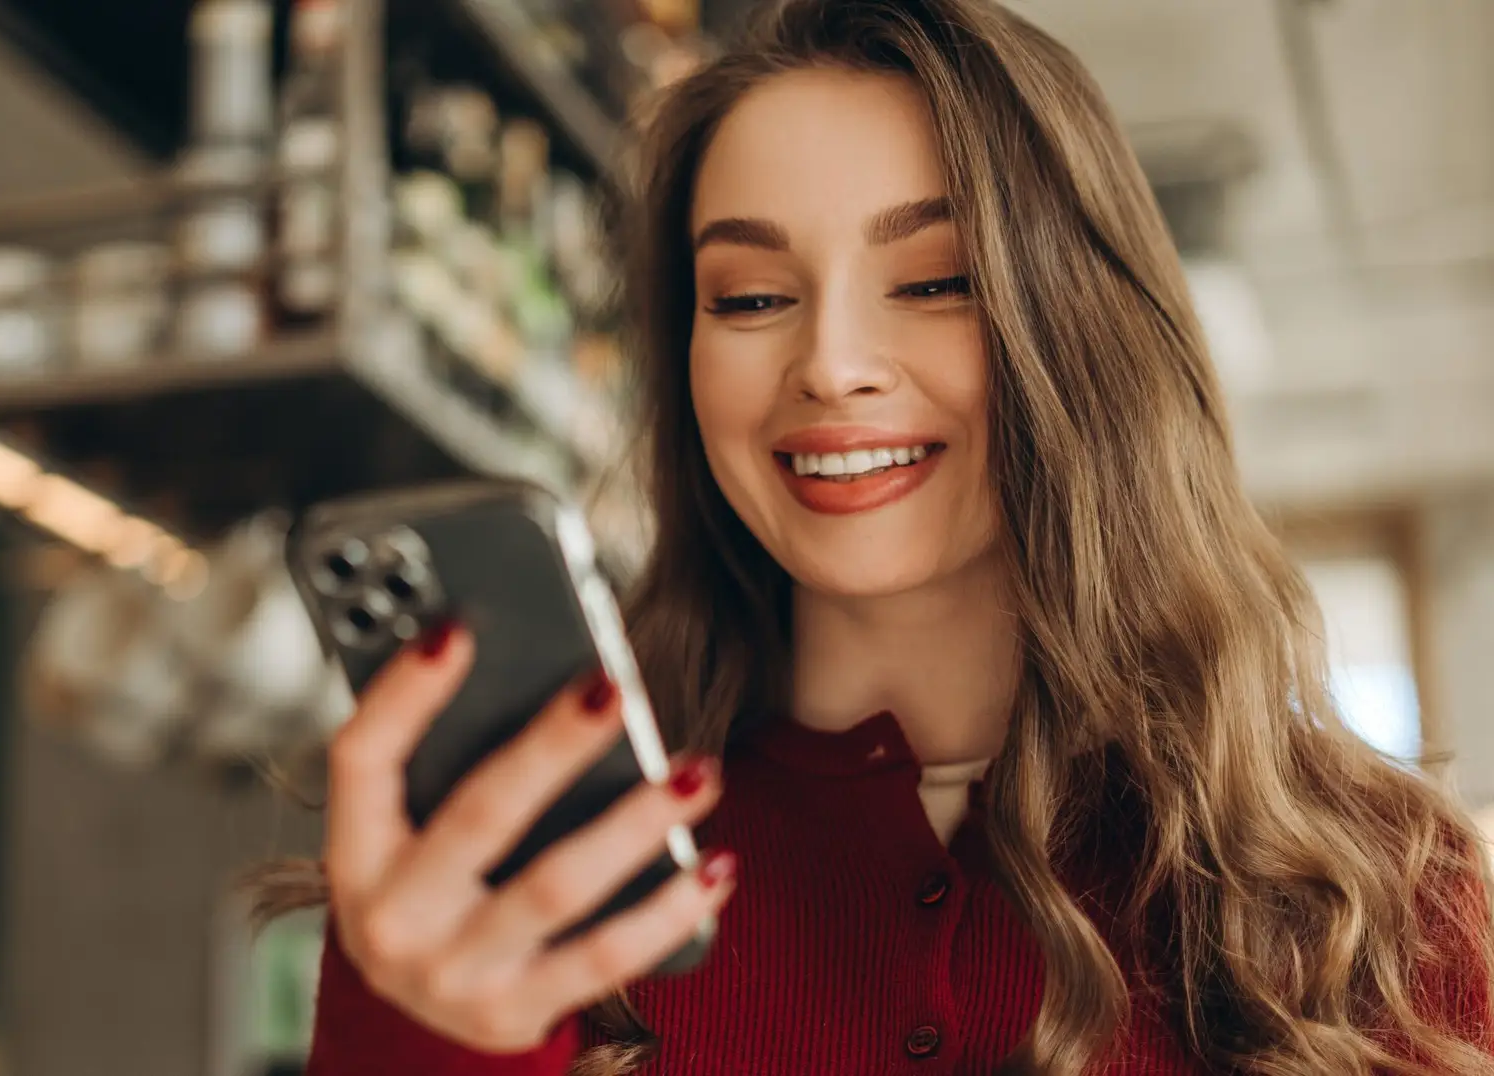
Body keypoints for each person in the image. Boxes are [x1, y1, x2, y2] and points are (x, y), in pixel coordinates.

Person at [239, 0, 1494, 1072]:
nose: (831, 364)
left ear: (1083, 328)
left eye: (936, 280)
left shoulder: (1377, 893)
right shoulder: (525, 890)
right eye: (750, 297)